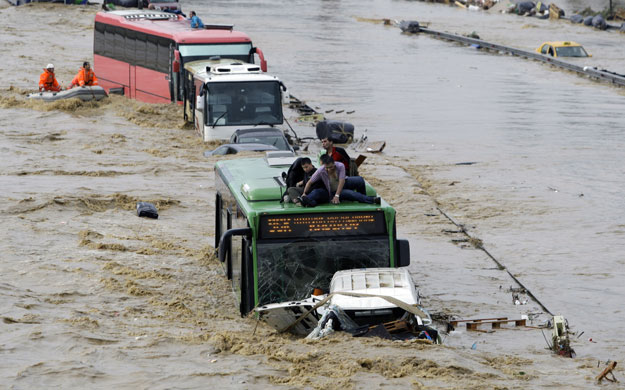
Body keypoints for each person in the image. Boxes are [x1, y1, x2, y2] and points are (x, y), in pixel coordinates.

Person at [300, 154, 380, 207]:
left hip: (342, 185)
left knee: (360, 180)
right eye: (326, 168)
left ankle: (365, 199)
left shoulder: (340, 166)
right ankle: (306, 201)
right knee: (352, 194)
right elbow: (309, 182)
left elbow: (342, 181)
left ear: (334, 164)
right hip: (331, 191)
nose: (328, 169)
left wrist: (337, 196)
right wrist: (304, 193)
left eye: (330, 167)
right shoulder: (321, 170)